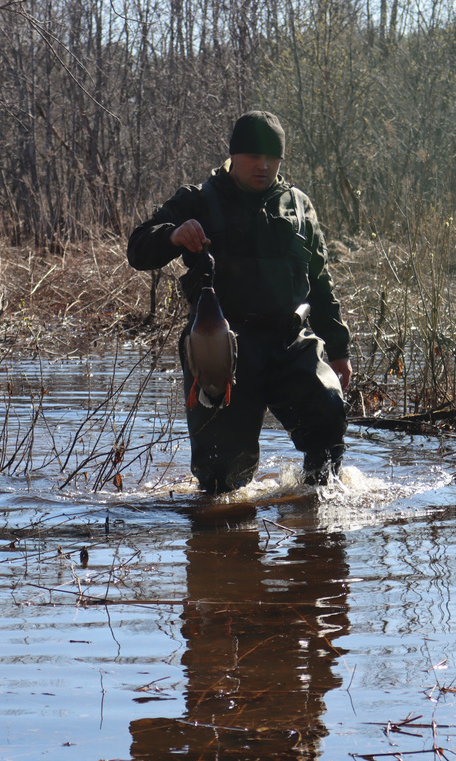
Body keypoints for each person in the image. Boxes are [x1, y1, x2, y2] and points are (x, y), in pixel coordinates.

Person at [127, 111, 352, 493]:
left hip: (289, 344)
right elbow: (138, 249)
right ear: (234, 155)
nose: (263, 166)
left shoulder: (298, 206)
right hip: (222, 349)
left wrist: (339, 350)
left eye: (272, 158)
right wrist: (173, 235)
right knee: (221, 481)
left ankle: (316, 522)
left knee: (328, 418)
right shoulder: (198, 200)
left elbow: (320, 282)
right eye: (253, 157)